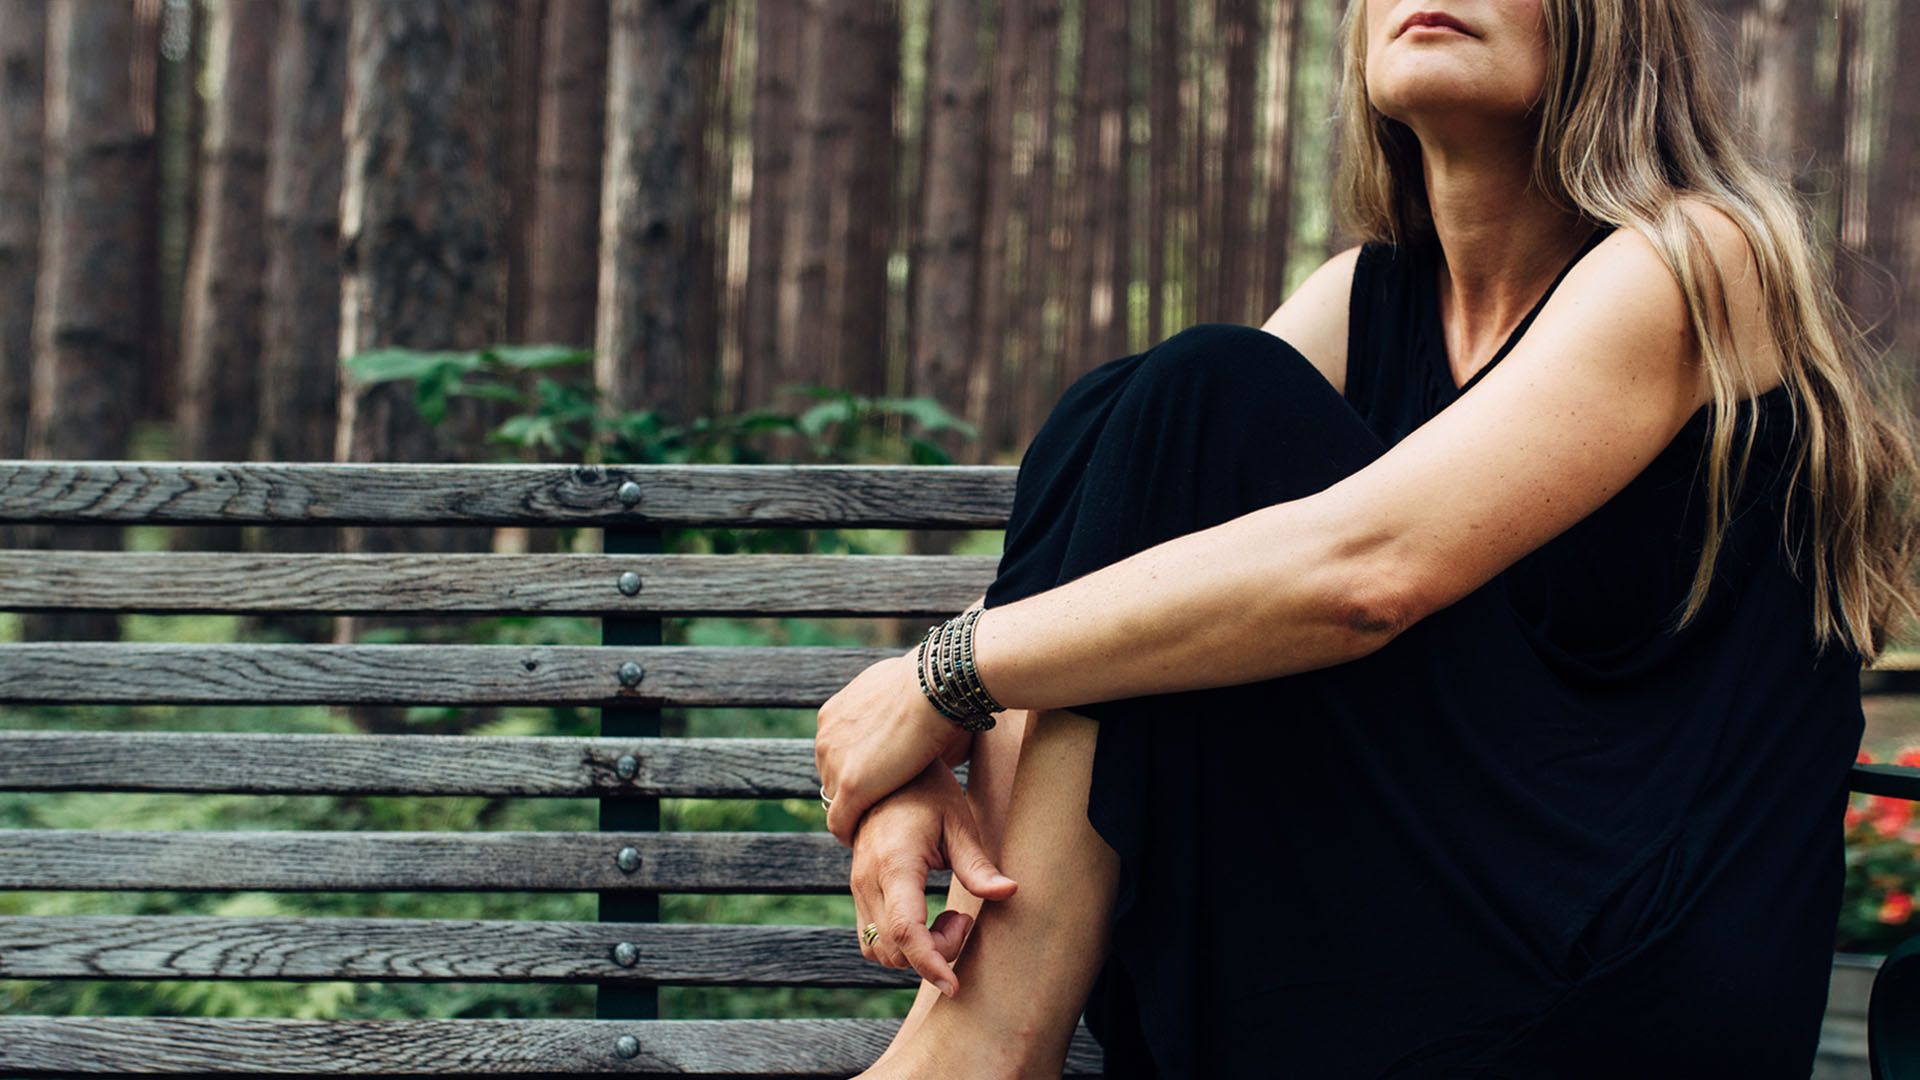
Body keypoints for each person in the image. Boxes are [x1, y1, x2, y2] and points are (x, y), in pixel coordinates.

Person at [812, 0, 1920, 1075]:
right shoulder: (1368, 298)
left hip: (1630, 979)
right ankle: (972, 1045)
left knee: (1200, 393)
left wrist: (937, 681)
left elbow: (1367, 574)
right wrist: (915, 751)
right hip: (1410, 932)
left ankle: (981, 1053)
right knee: (1128, 410)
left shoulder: (1702, 256)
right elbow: (1133, 523)